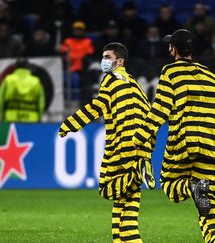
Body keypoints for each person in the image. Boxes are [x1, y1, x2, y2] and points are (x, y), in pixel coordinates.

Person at [133, 29, 215, 243]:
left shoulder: (170, 72)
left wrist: (139, 137)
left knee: (170, 187)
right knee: (207, 196)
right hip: (213, 143)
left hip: (185, 140)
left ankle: (191, 187)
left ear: (172, 49)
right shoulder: (211, 75)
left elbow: (160, 109)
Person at [58, 42, 155, 243]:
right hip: (141, 145)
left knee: (106, 187)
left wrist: (70, 124)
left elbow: (97, 106)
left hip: (121, 145)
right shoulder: (135, 83)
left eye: (108, 57)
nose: (104, 61)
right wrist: (147, 146)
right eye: (103, 57)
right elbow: (149, 113)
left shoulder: (110, 79)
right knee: (127, 205)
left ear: (119, 61)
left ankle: (136, 172)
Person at [0, 58, 45, 122]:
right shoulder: (36, 82)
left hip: (10, 118)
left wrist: (1, 116)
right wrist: (39, 117)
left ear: (15, 67)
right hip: (32, 119)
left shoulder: (8, 80)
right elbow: (41, 103)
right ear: (27, 66)